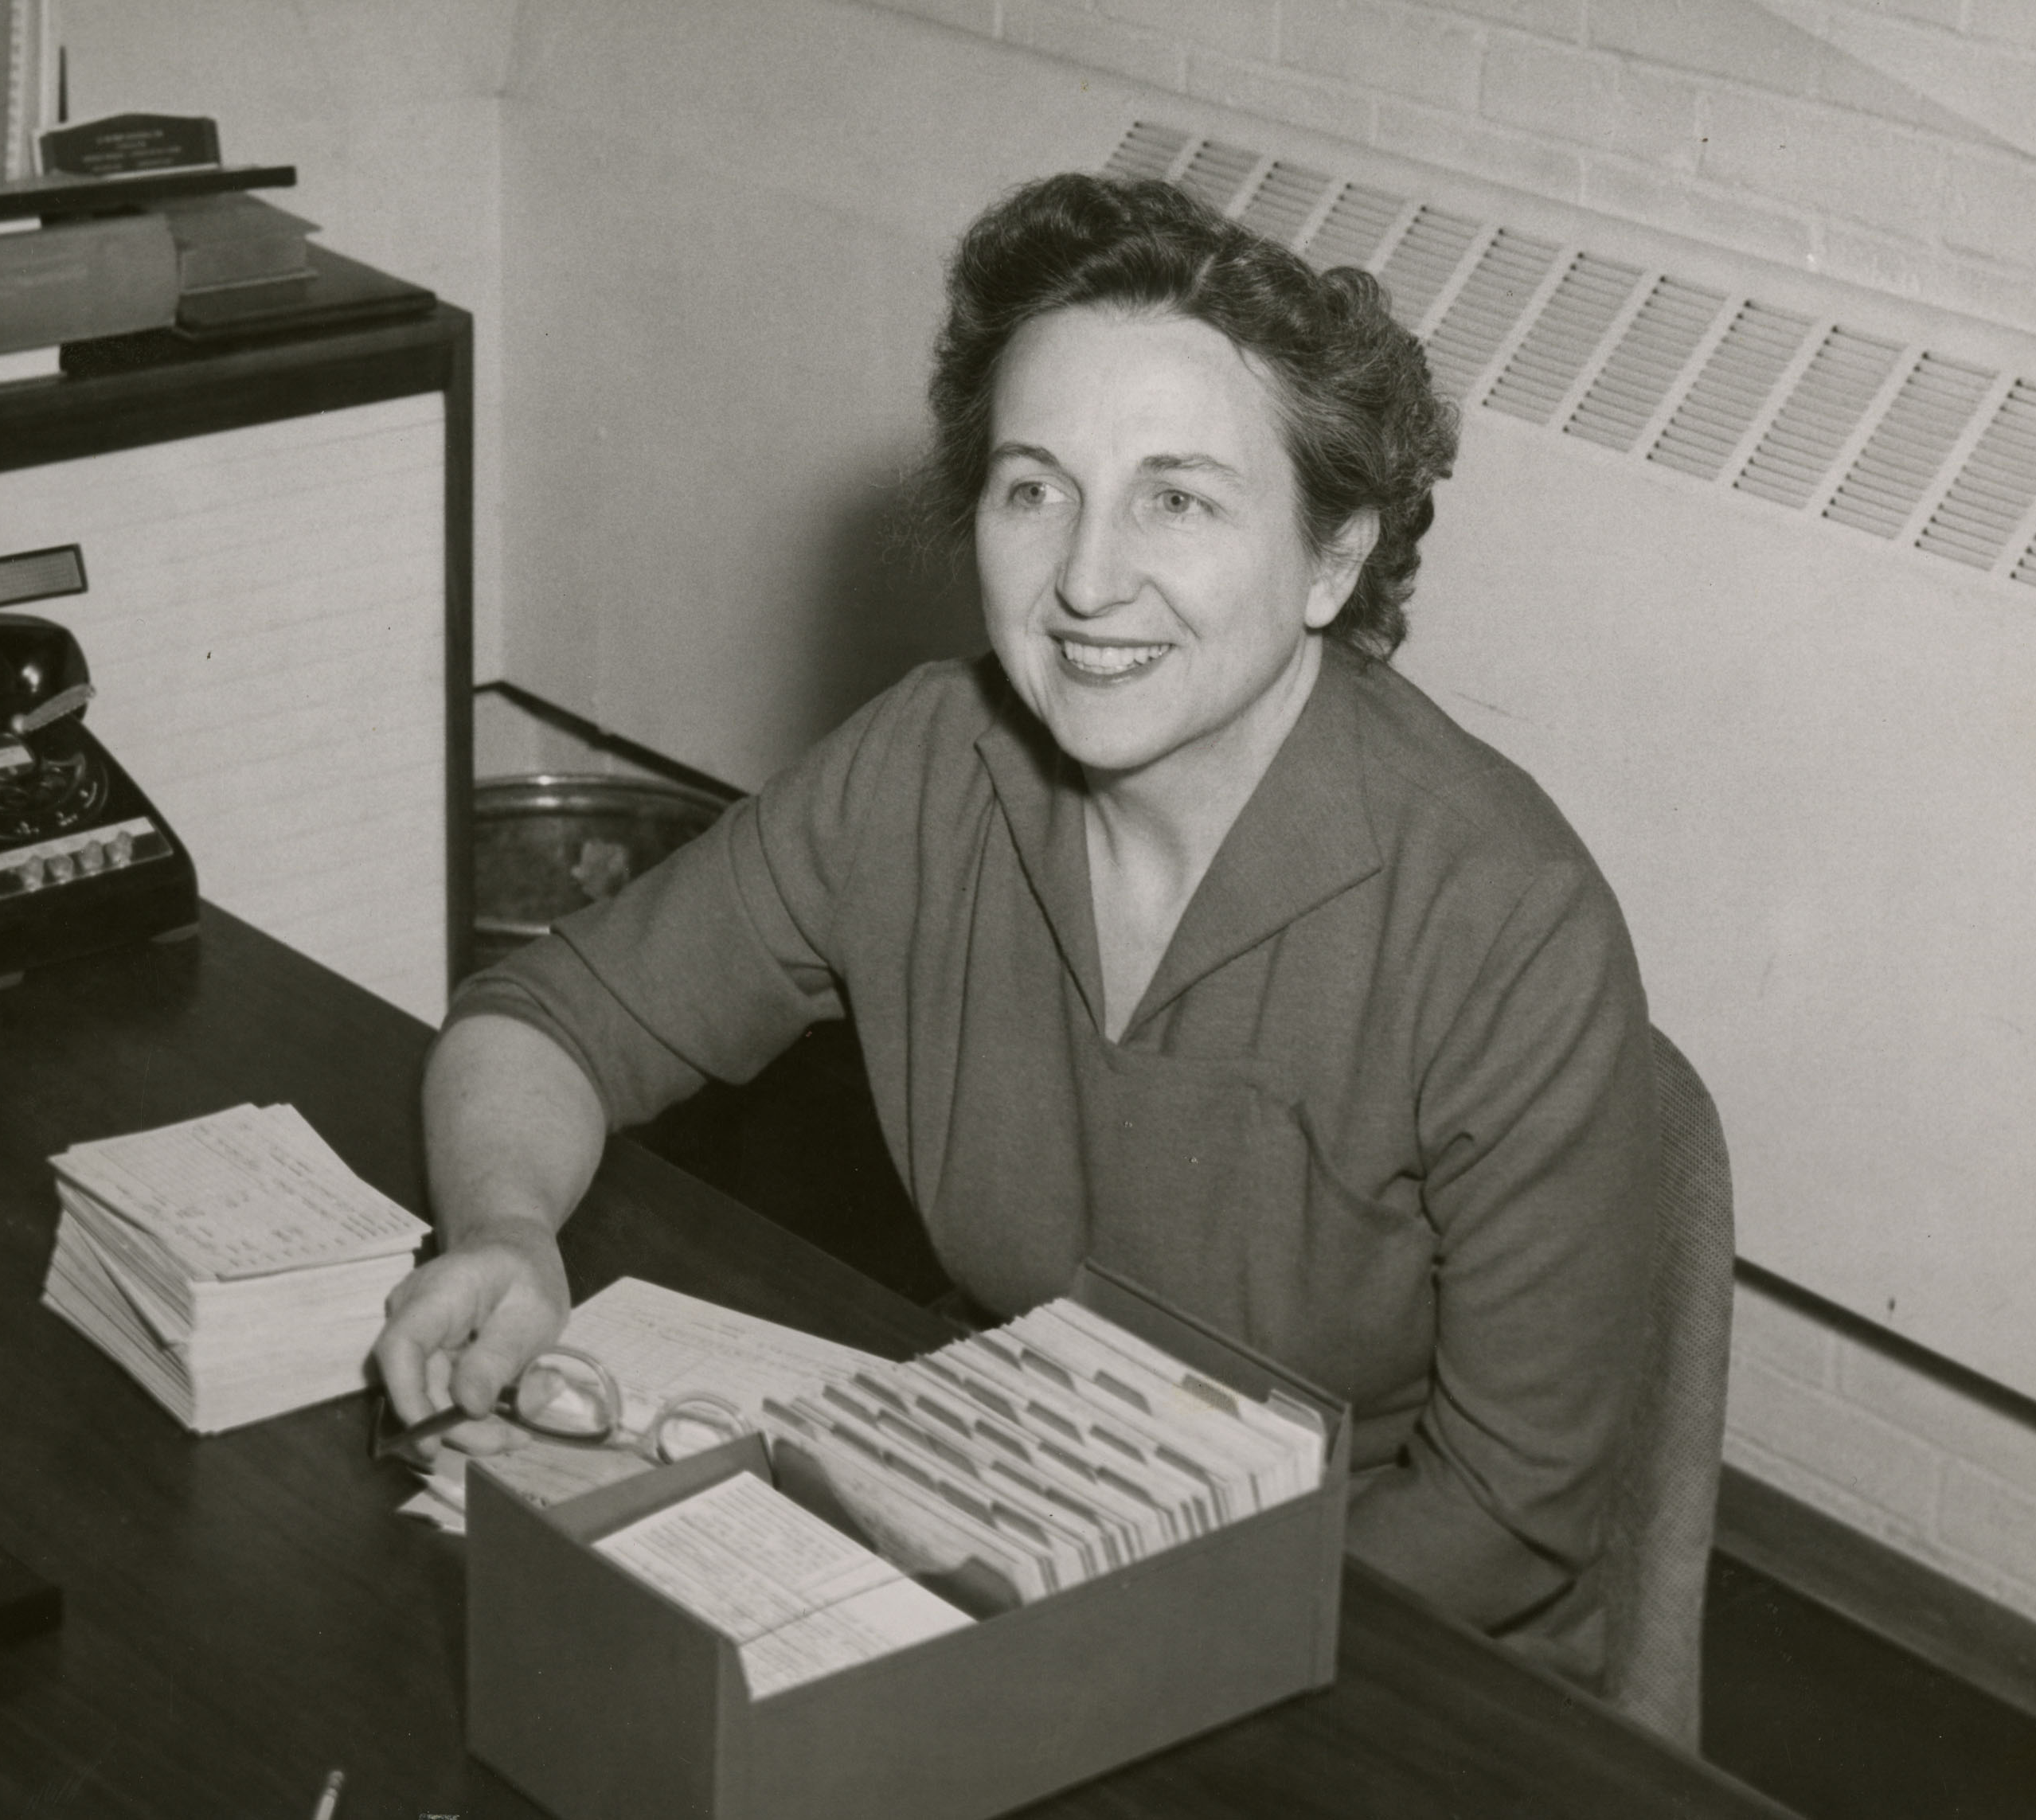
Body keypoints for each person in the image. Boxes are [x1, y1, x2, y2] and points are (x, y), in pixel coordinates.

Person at [373, 173, 1655, 1685]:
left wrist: (1088, 1656)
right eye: (1034, 487)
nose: (1087, 580)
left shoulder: (1503, 919)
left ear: (1332, 557)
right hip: (1005, 1505)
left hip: (1365, 1643)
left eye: (1178, 498)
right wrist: (507, 1231)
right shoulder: (928, 764)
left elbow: (1513, 1513)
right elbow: (545, 1020)